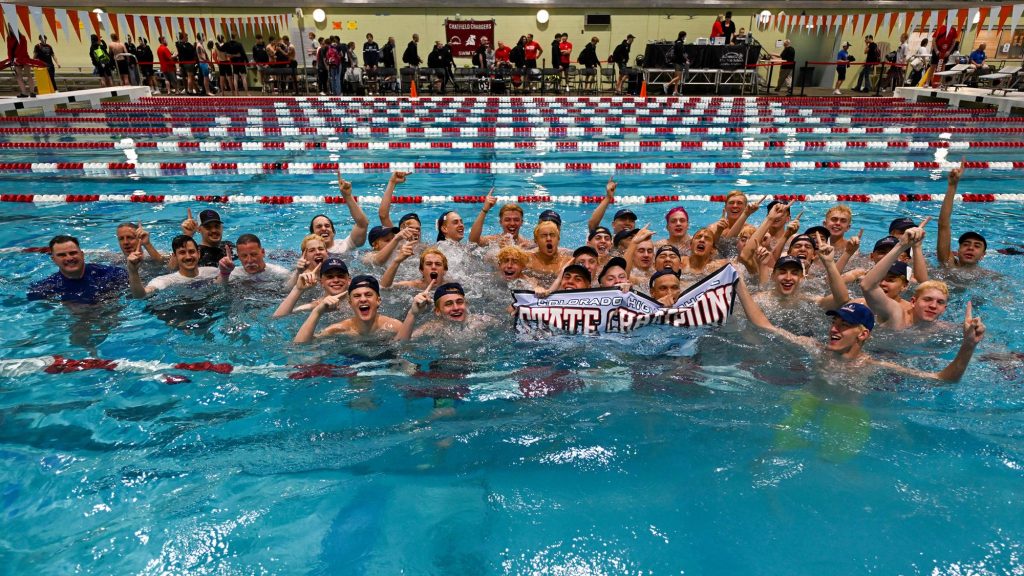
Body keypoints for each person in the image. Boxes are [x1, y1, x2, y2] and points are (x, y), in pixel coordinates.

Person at [735, 276, 985, 383]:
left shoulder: (872, 365)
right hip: (807, 404)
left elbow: (942, 380)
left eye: (845, 326)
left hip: (847, 416)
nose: (835, 329)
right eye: (835, 322)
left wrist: (968, 346)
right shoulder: (814, 347)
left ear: (863, 334)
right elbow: (764, 324)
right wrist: (740, 286)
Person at [294, 275, 402, 342]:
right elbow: (301, 345)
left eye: (368, 295)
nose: (363, 299)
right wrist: (317, 312)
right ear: (350, 303)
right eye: (357, 296)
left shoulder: (394, 326)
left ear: (378, 300)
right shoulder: (339, 329)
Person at [28, 235, 127, 304]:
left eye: (73, 253)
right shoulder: (45, 288)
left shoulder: (111, 274)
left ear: (82, 254)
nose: (69, 258)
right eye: (62, 255)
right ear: (53, 260)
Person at [128, 235, 219, 298]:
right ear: (175, 256)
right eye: (182, 252)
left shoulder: (213, 272)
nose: (188, 257)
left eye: (191, 251)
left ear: (198, 254)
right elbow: (141, 295)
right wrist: (133, 271)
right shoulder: (166, 281)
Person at [396, 282, 488, 341]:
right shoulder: (432, 328)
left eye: (459, 302)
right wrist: (412, 314)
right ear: (437, 311)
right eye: (448, 304)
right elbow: (399, 344)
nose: (456, 308)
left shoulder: (482, 321)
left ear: (466, 304)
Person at [937, 167, 986, 269]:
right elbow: (943, 225)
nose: (970, 248)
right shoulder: (949, 264)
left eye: (977, 246)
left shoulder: (990, 276)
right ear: (958, 250)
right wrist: (952, 186)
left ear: (983, 255)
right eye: (966, 244)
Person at [273, 255, 351, 317]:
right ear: (321, 282)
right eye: (330, 277)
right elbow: (278, 317)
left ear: (349, 280)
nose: (336, 280)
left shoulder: (356, 301)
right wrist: (298, 289)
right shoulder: (315, 306)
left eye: (341, 276)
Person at [217, 234, 289, 284]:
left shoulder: (279, 273)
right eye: (244, 256)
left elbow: (289, 289)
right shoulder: (235, 273)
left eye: (254, 254)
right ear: (238, 257)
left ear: (263, 252)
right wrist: (224, 273)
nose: (250, 260)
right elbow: (219, 288)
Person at [382, 246, 448, 290]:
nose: (433, 267)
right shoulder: (414, 286)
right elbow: (384, 287)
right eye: (429, 264)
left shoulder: (450, 287)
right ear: (421, 270)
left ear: (444, 271)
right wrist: (396, 261)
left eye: (438, 264)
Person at [666, 31, 688, 96]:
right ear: (683, 36)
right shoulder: (679, 44)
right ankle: (667, 85)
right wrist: (685, 61)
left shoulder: (677, 43)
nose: (685, 37)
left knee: (677, 77)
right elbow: (680, 54)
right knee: (679, 77)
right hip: (679, 62)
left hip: (677, 62)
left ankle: (675, 91)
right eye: (685, 36)